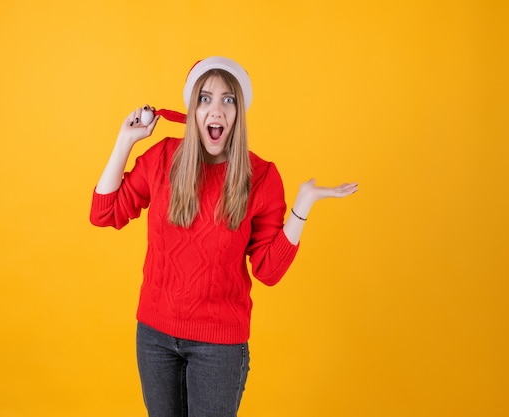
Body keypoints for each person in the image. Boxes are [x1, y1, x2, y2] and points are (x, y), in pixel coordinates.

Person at [90, 56, 357, 417]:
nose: (216, 109)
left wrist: (302, 206)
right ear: (192, 110)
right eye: (205, 98)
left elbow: (268, 270)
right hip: (153, 336)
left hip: (219, 346)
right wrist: (125, 140)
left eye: (228, 99)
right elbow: (104, 213)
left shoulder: (260, 177)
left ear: (239, 113)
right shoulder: (163, 158)